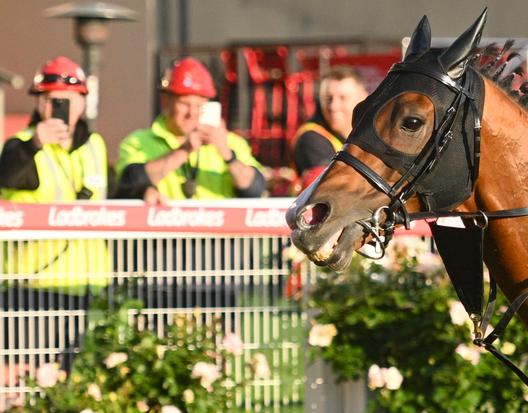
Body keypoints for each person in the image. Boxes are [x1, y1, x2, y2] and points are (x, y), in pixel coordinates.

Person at [0, 56, 111, 366]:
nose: (58, 108)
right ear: (38, 103)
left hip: (90, 286)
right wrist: (36, 142)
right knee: (29, 379)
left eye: (67, 101)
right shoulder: (20, 144)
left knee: (81, 380)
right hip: (35, 287)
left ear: (82, 103)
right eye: (50, 100)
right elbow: (6, 174)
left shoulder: (95, 145)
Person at [116, 57, 266, 202]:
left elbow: (255, 189)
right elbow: (129, 184)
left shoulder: (231, 142)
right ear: (165, 101)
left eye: (199, 106)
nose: (192, 114)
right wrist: (184, 151)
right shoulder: (138, 141)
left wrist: (227, 154)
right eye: (184, 104)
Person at [291, 66, 368, 188]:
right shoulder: (311, 138)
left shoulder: (368, 135)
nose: (333, 106)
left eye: (343, 98)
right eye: (328, 98)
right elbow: (332, 184)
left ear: (363, 99)